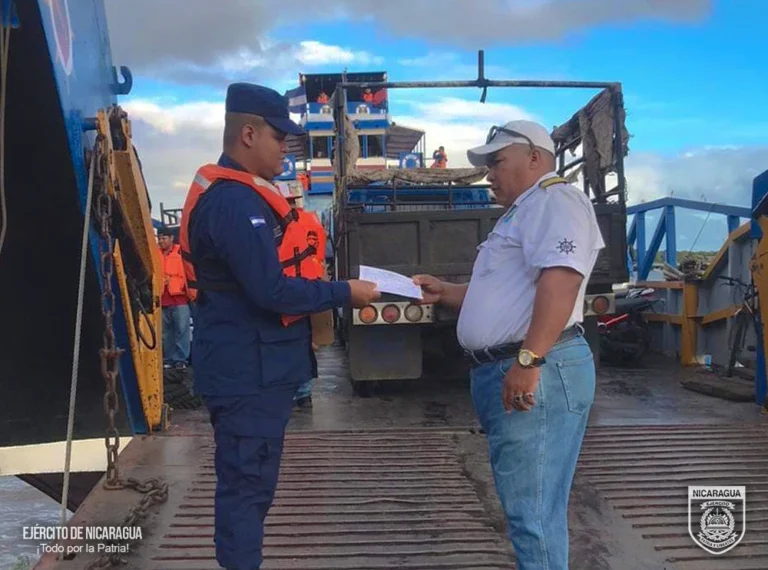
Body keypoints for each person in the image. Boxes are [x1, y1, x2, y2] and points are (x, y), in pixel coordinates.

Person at [177, 82, 380, 570]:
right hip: (246, 374)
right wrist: (343, 292)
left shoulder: (242, 198)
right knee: (246, 490)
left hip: (254, 370)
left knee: (253, 487)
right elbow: (270, 290)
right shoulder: (232, 203)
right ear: (248, 133)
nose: (286, 150)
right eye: (279, 138)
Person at [413, 119, 605, 570]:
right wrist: (447, 290)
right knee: (532, 508)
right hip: (517, 365)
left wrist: (529, 359)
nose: (489, 174)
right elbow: (507, 293)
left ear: (535, 158)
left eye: (497, 161)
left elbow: (560, 280)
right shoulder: (526, 210)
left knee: (531, 514)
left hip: (537, 367)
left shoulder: (556, 201)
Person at [157, 225, 193, 369]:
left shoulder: (181, 253)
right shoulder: (155, 254)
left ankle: (181, 360)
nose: (161, 241)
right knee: (167, 333)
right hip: (162, 299)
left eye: (164, 238)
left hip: (180, 298)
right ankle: (169, 359)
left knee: (181, 330)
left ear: (171, 238)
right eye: (159, 238)